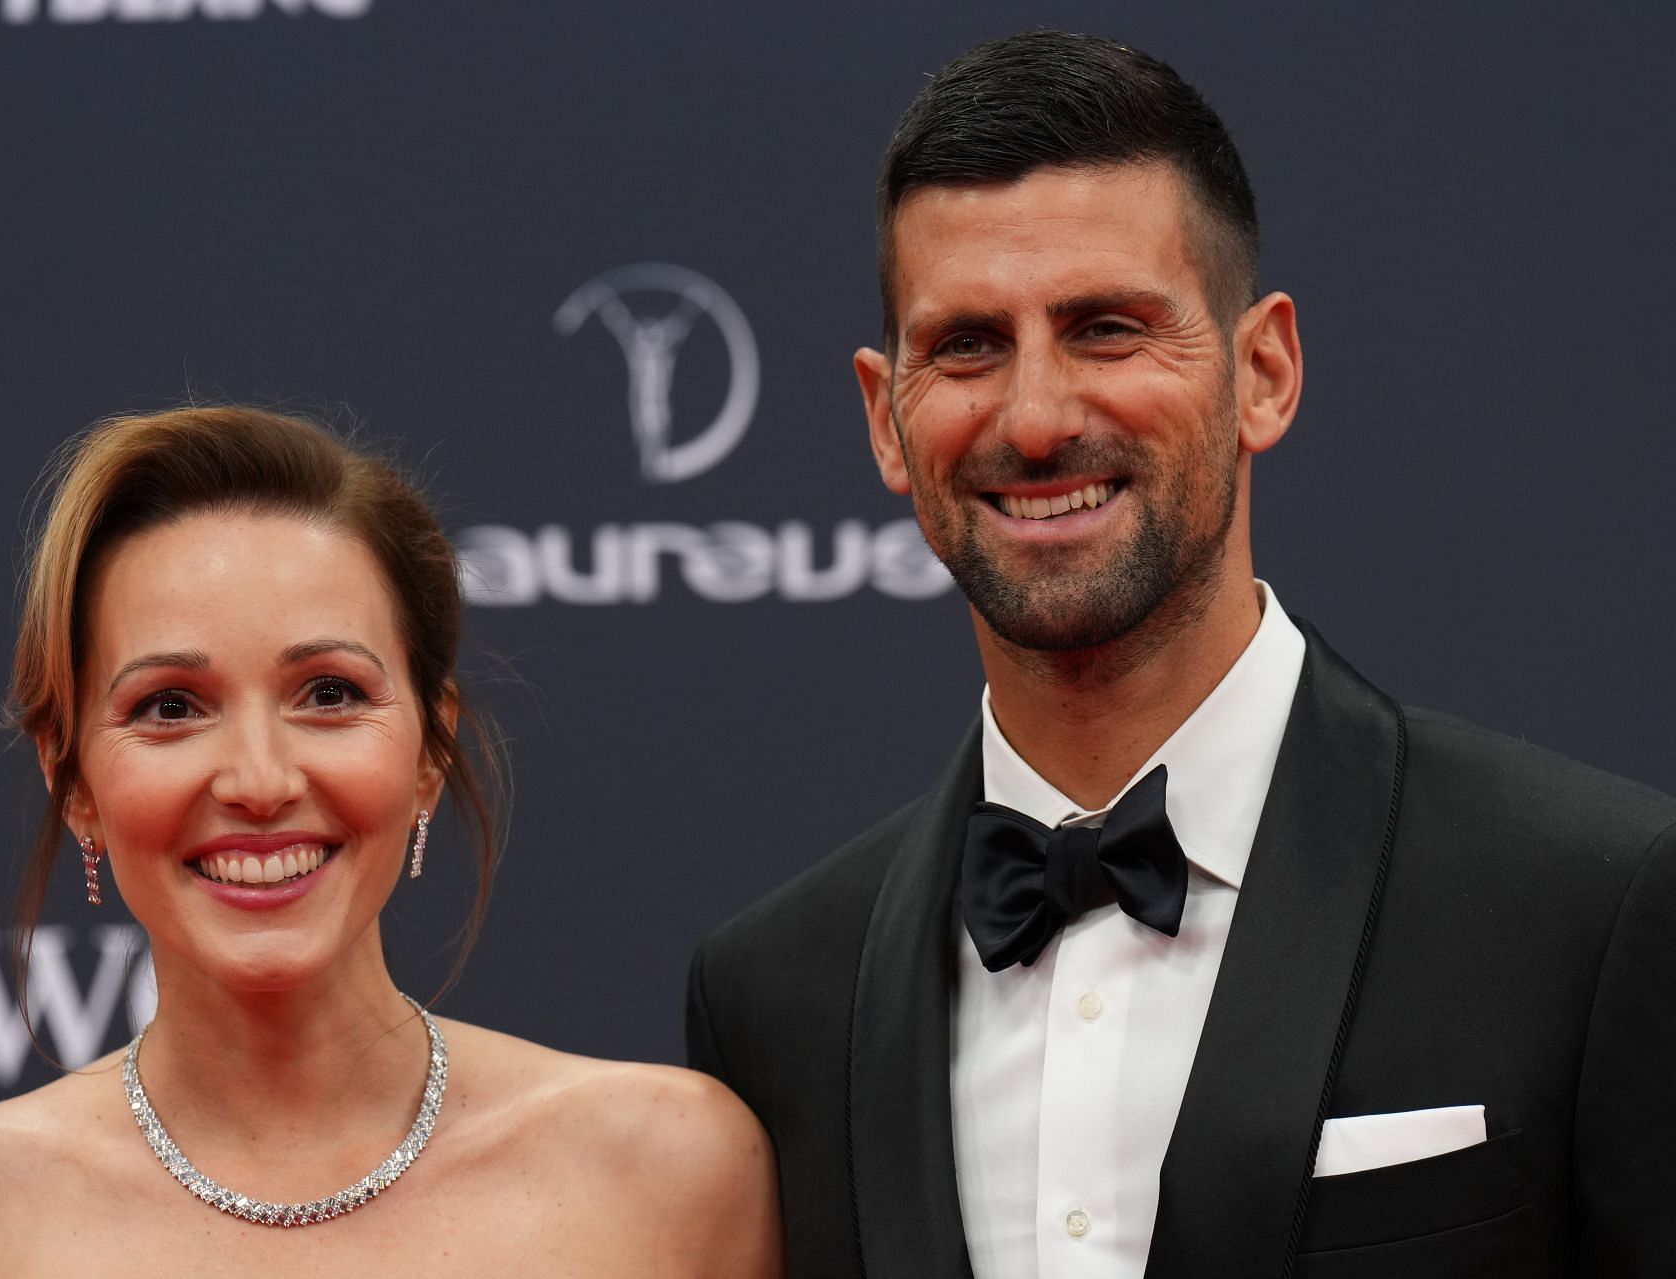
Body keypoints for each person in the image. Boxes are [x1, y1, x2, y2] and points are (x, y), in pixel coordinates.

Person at [686, 29, 1676, 1279]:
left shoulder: (1591, 906)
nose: (1036, 417)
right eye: (969, 346)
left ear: (1264, 372)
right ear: (887, 418)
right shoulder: (775, 998)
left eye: (1106, 329)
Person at [0, 406, 780, 1277]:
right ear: (74, 783)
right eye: (170, 706)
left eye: (330, 694)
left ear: (432, 749)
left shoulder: (669, 1174)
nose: (260, 782)